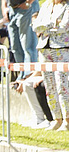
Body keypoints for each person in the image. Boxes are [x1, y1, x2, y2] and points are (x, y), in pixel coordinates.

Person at [33, 0, 69, 131]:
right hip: (44, 48)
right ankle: (56, 119)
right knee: (49, 86)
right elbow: (35, 26)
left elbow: (65, 26)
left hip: (61, 48)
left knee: (62, 84)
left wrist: (44, 27)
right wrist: (53, 24)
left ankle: (67, 120)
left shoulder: (67, 6)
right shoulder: (46, 6)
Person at [5, 0, 40, 81]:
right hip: (12, 9)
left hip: (26, 8)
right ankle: (23, 74)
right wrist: (4, 7)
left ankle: (29, 76)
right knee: (15, 47)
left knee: (28, 46)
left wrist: (28, 2)